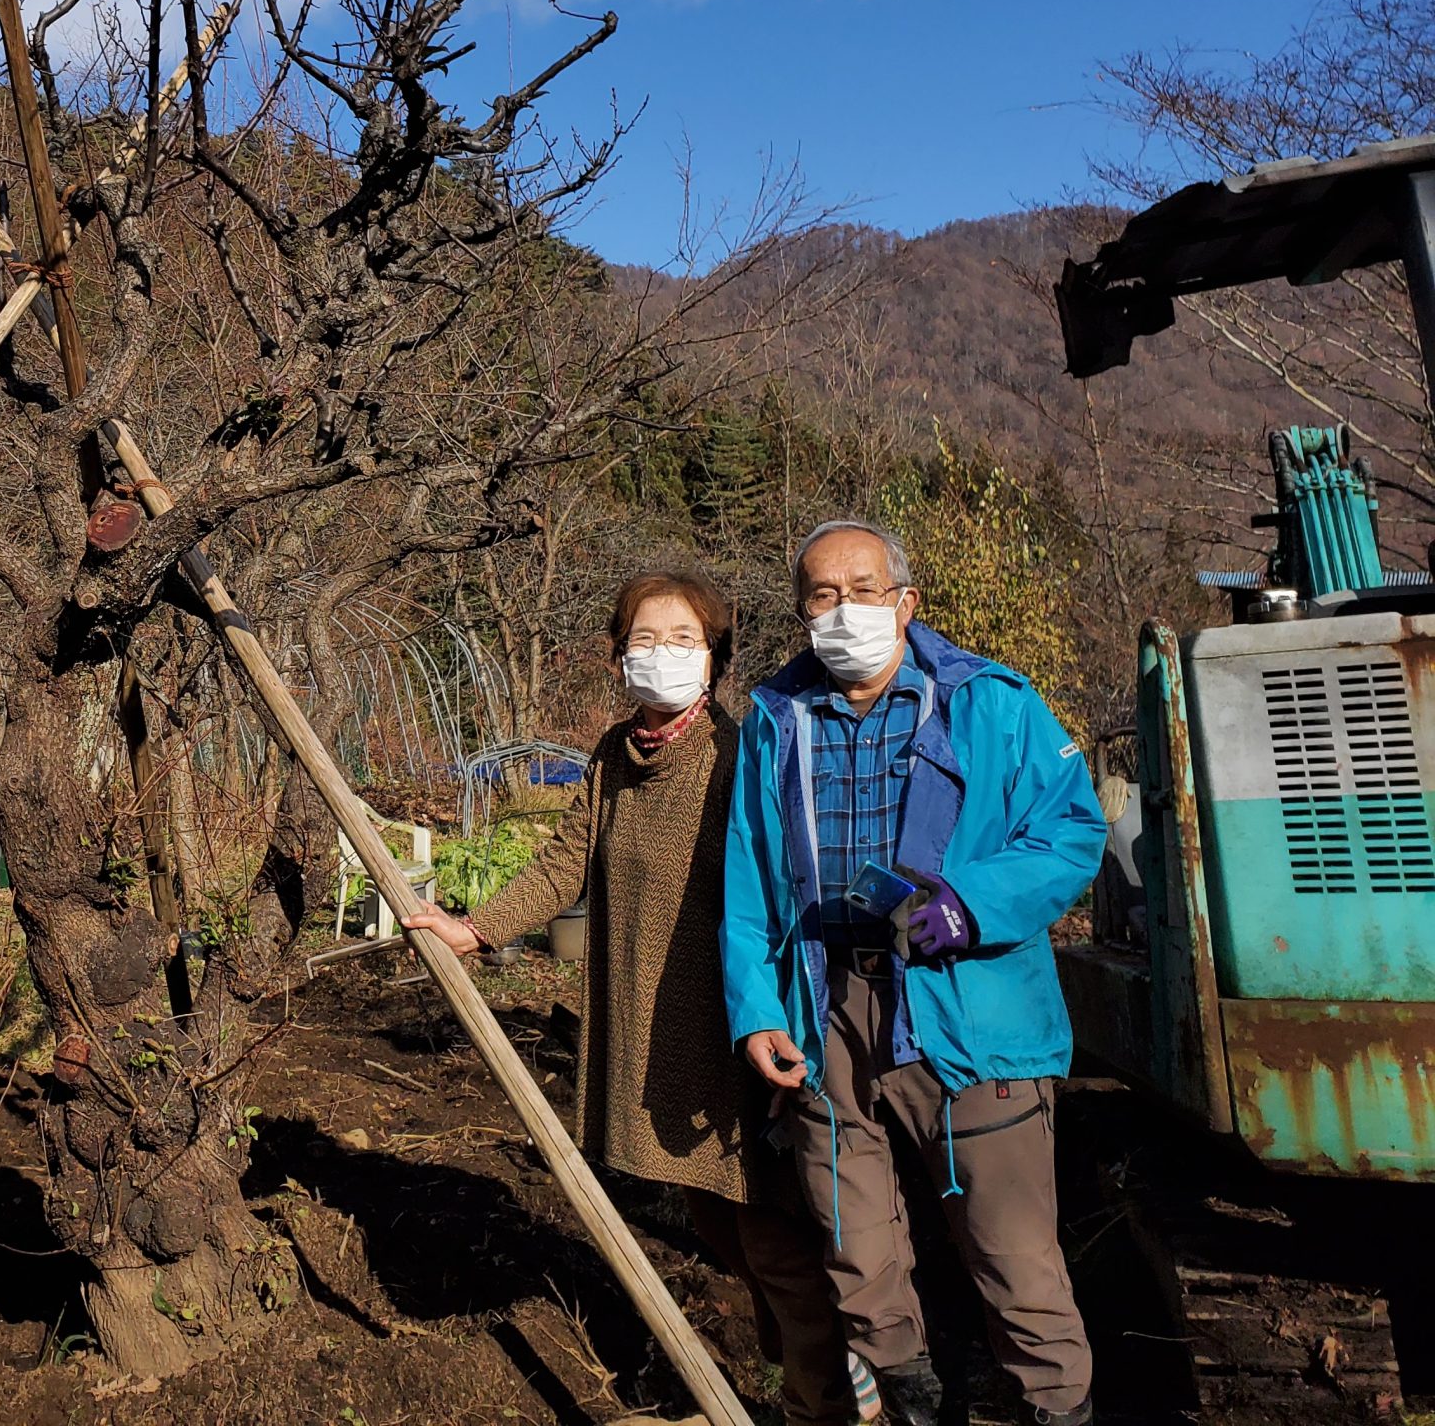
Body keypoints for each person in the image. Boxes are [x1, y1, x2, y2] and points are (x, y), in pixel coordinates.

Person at [406, 570, 848, 1426]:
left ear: (715, 658)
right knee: (712, 1222)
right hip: (645, 1017)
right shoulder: (614, 755)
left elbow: (781, 887)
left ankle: (820, 1395)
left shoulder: (738, 753)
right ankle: (793, 1365)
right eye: (645, 639)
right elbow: (564, 861)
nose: (663, 655)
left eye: (684, 640)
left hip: (731, 1023)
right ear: (618, 657)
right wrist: (478, 927)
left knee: (767, 1229)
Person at [719, 519, 1105, 1426]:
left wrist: (969, 901)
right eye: (821, 594)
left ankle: (1054, 1407)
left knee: (1012, 1253)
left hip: (969, 1001)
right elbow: (745, 881)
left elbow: (1072, 831)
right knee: (855, 1245)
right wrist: (755, 1007)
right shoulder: (778, 719)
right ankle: (911, 1394)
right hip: (826, 999)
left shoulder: (992, 703)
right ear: (801, 611)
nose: (842, 609)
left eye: (862, 589)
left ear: (906, 602)